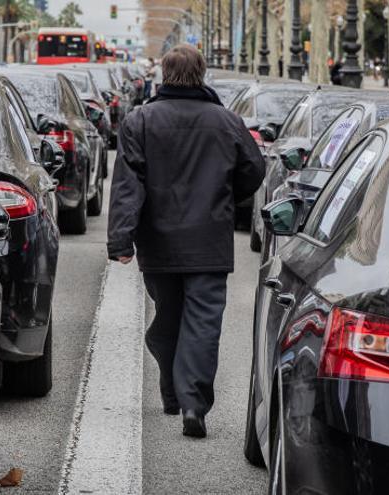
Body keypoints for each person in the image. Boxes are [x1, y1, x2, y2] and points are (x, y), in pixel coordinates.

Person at [107, 44, 265, 439]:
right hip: (210, 241)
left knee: (169, 318)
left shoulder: (140, 120)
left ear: (164, 74)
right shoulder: (226, 121)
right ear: (202, 73)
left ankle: (176, 391)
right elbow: (253, 170)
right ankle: (191, 401)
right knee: (203, 323)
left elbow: (129, 185)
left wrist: (122, 241)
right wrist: (224, 195)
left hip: (158, 242)